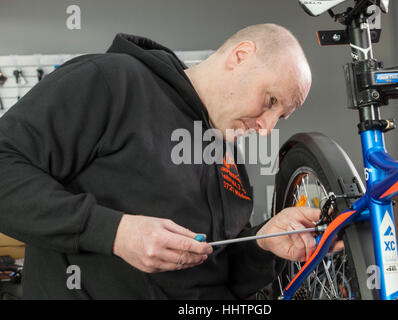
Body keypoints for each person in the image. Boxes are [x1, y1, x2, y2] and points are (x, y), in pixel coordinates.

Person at [0, 23, 317, 299]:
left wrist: (264, 244)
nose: (267, 129)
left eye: (281, 115)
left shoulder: (227, 155)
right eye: (270, 101)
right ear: (241, 55)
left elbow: (222, 271)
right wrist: (116, 232)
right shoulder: (112, 81)